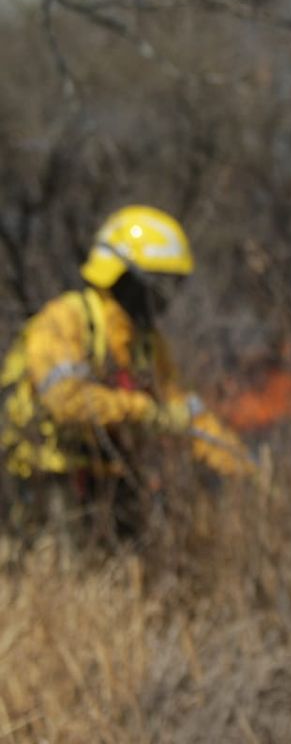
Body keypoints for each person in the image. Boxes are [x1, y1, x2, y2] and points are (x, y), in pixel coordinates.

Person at [1, 204, 254, 539]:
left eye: (170, 286)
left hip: (109, 479)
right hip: (43, 478)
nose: (162, 298)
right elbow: (64, 400)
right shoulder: (66, 320)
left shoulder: (146, 344)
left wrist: (242, 468)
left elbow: (185, 410)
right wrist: (144, 411)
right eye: (156, 284)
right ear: (123, 276)